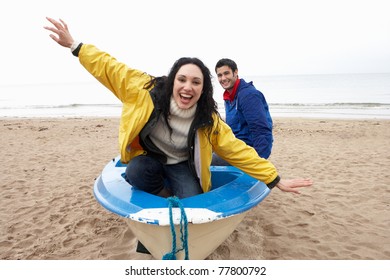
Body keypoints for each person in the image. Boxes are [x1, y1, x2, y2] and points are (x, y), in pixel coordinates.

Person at [44, 17, 312, 200]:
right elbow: (110, 67)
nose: (188, 87)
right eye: (182, 79)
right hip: (151, 158)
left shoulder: (207, 118)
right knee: (136, 171)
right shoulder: (143, 90)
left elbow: (236, 148)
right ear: (173, 80)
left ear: (203, 88)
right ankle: (163, 194)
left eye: (196, 82)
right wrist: (75, 46)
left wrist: (275, 179)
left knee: (194, 203)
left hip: (182, 164)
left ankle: (176, 188)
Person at [212, 58, 273, 166]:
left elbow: (261, 131)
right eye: (220, 75)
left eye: (226, 73)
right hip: (234, 146)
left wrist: (258, 162)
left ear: (235, 72)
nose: (223, 78)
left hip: (246, 152)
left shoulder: (248, 96)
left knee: (202, 162)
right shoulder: (229, 97)